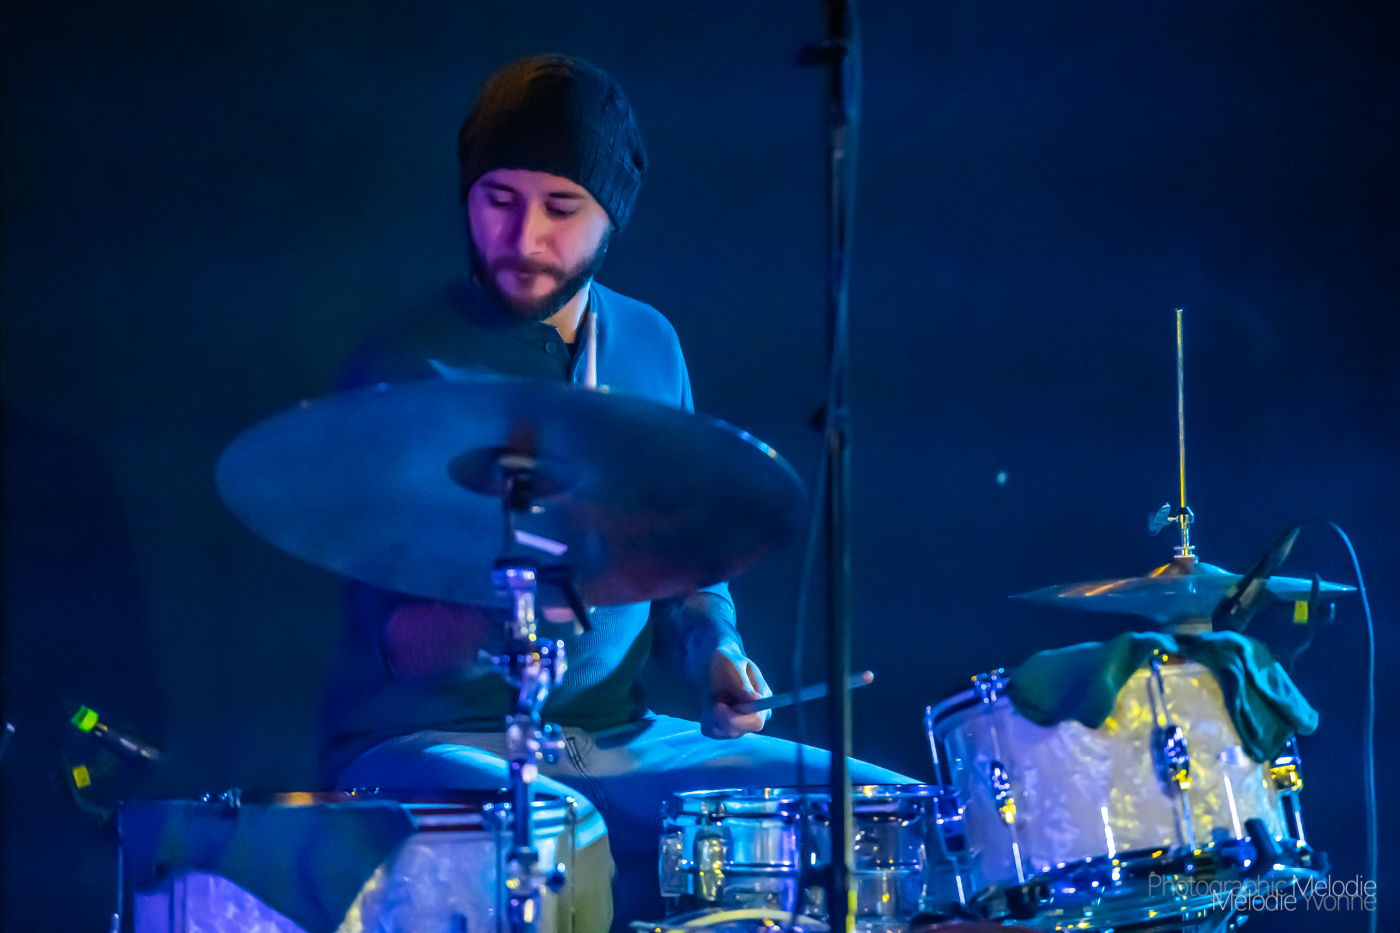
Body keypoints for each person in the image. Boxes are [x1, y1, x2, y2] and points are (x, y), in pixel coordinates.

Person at [319, 55, 910, 930]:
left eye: (561, 208)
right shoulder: (405, 366)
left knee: (874, 810)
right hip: (426, 745)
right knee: (561, 832)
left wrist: (714, 651)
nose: (524, 237)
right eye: (498, 199)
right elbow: (406, 646)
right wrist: (528, 595)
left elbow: (685, 572)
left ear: (611, 216)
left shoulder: (648, 343)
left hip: (615, 743)